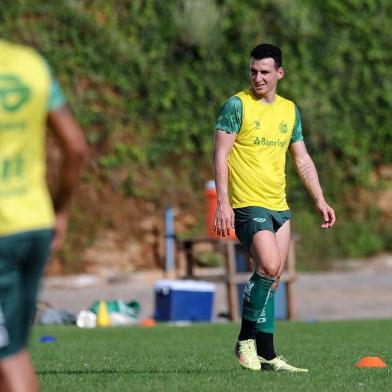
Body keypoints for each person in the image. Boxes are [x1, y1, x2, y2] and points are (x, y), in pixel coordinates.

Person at [213, 43, 336, 372]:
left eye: (265, 72)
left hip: (278, 205)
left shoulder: (289, 110)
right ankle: (244, 341)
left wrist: (319, 198)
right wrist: (223, 203)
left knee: (273, 277)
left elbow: (302, 158)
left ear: (279, 73)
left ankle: (267, 354)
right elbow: (220, 155)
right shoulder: (236, 106)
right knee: (267, 266)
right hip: (246, 204)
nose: (258, 77)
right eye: (253, 71)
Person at [0, 40, 88, 391]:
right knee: (13, 350)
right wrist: (61, 210)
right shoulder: (32, 65)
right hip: (34, 223)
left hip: (2, 233)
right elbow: (76, 147)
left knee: (6, 357)